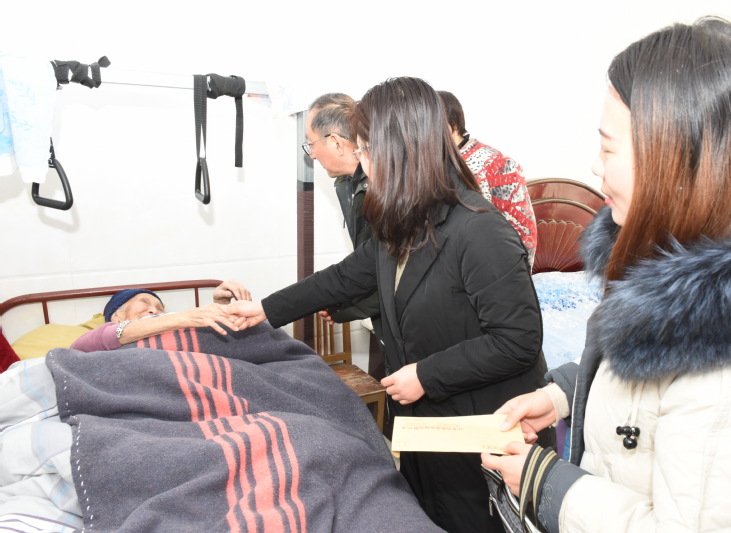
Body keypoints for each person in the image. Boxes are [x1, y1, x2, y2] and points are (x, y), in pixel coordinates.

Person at [481, 17, 731, 532]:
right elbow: (641, 380)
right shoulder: (671, 266)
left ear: (677, 158)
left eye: (608, 148)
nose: (594, 167)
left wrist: (542, 481)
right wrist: (562, 395)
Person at [225, 76, 552, 533]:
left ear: (400, 152)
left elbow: (517, 341)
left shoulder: (481, 231)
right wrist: (264, 309)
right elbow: (344, 277)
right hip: (424, 426)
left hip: (479, 431)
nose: (360, 161)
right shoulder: (403, 221)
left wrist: (425, 375)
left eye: (365, 149)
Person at [303, 92, 385, 380]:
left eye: (311, 143)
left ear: (336, 142)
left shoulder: (385, 189)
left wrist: (345, 308)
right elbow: (366, 260)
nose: (311, 154)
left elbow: (391, 273)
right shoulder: (347, 184)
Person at [438, 90, 538, 264]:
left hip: (489, 269)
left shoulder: (499, 165)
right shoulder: (434, 166)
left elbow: (523, 235)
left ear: (453, 124)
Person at [70, 280, 251, 352]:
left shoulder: (177, 330)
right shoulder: (100, 337)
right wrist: (184, 317)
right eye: (144, 302)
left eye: (160, 308)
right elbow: (77, 348)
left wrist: (222, 305)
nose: (154, 311)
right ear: (117, 316)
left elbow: (216, 345)